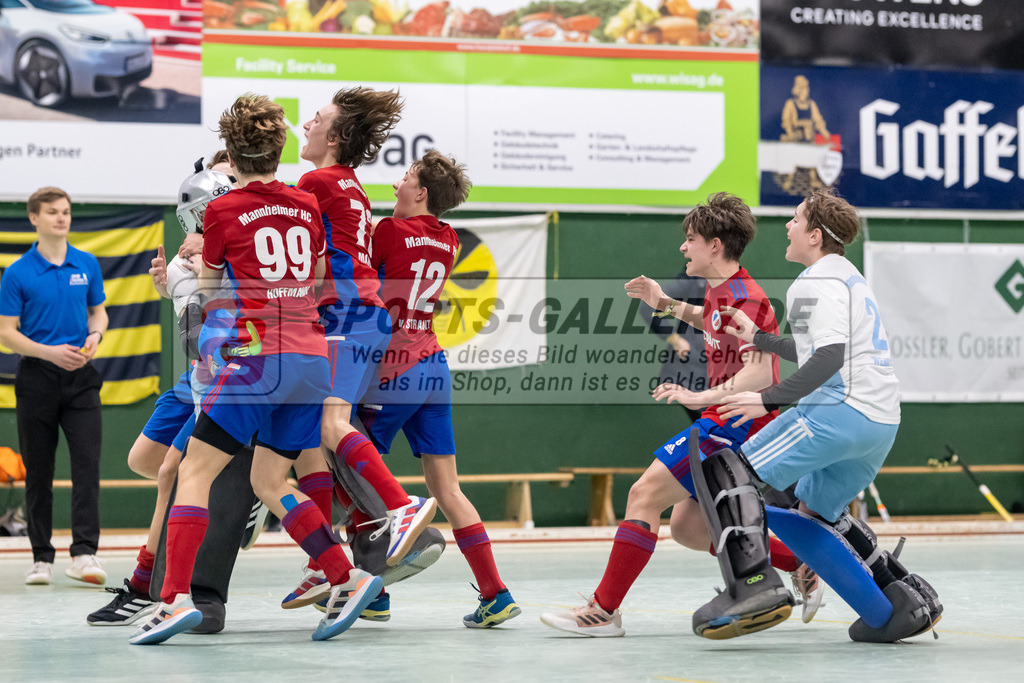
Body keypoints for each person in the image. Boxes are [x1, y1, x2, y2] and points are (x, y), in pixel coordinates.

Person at [129, 94, 381, 645]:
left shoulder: (220, 211)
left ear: (233, 155)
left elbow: (214, 294)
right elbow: (316, 281)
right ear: (279, 148)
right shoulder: (307, 204)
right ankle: (346, 574)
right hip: (313, 359)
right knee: (270, 479)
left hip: (258, 357)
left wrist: (190, 276)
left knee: (194, 472)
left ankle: (173, 600)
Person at [540, 192, 809, 637]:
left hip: (738, 423)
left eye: (691, 239)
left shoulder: (748, 298)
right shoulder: (726, 290)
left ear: (715, 245)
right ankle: (800, 564)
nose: (684, 248)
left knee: (643, 494)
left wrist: (700, 397)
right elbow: (711, 322)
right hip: (729, 419)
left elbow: (761, 375)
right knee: (686, 527)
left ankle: (603, 612)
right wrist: (664, 302)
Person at [697, 187, 940, 642]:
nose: (787, 226)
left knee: (724, 474)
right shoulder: (848, 277)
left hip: (838, 412)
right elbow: (820, 350)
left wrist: (768, 399)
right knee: (815, 515)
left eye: (794, 219)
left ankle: (751, 587)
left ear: (813, 235)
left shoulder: (812, 283)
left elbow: (827, 359)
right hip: (881, 420)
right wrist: (761, 338)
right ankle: (893, 604)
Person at [281, 87, 438, 616]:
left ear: (337, 135)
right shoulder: (350, 185)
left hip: (346, 315)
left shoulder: (317, 181)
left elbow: (308, 259)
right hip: (360, 317)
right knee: (314, 439)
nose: (306, 124)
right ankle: (322, 564)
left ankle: (400, 506)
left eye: (317, 118)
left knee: (329, 429)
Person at [354, 150, 521, 628]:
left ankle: (373, 589)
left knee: (351, 470)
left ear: (421, 192)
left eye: (405, 176)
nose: (396, 183)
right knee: (447, 487)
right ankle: (495, 592)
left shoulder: (389, 231)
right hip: (433, 366)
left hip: (392, 370)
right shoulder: (448, 239)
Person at [0, 187, 108, 587]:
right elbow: (7, 333)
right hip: (36, 380)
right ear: (34, 218)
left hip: (81, 380)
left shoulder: (87, 264)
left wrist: (95, 336)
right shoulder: (17, 273)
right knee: (39, 472)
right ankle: (40, 557)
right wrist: (49, 353)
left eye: (65, 212)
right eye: (52, 212)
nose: (61, 218)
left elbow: (99, 313)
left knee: (86, 467)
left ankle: (84, 554)